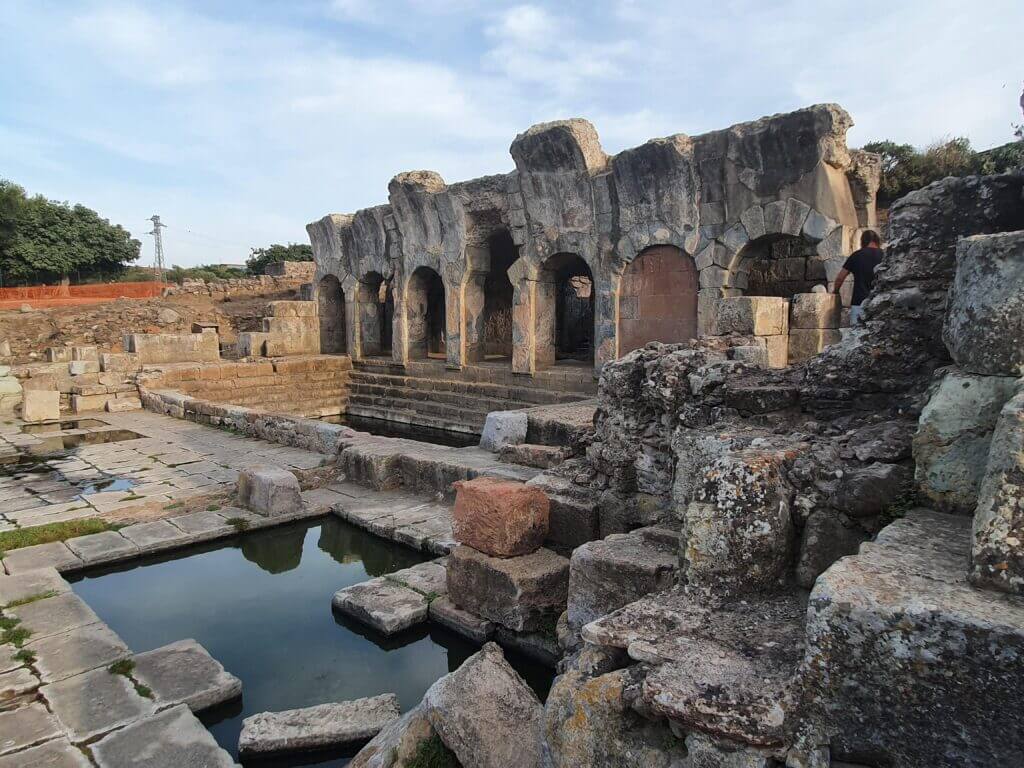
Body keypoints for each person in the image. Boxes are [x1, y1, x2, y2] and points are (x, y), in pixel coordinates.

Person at [834, 230, 883, 325]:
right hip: (880, 303)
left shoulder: (856, 255)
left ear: (863, 241)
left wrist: (835, 291)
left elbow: (840, 277)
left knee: (855, 335)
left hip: (859, 303)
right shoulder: (885, 255)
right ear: (877, 241)